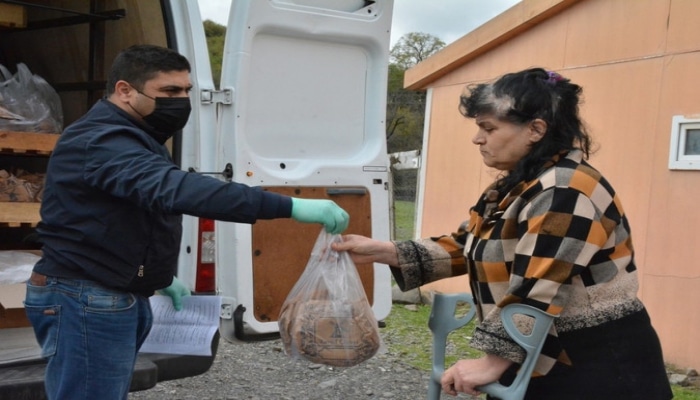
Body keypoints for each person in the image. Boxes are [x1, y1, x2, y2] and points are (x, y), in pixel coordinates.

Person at [24, 44, 350, 400]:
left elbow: (126, 216)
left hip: (110, 292)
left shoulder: (135, 137)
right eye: (169, 91)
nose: (181, 101)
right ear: (124, 90)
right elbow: (174, 189)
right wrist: (290, 207)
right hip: (86, 297)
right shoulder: (101, 140)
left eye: (186, 91)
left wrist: (156, 276)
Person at [333, 68, 672, 399]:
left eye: (488, 128)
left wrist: (492, 362)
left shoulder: (566, 190)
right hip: (536, 348)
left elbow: (538, 285)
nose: (477, 138)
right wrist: (384, 251)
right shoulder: (522, 184)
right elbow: (469, 244)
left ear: (536, 129)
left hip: (595, 363)